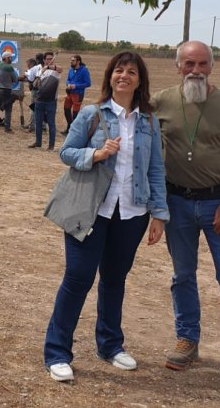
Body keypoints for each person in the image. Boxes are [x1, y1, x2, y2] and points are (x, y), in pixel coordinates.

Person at [43, 51, 169, 382]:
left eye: (131, 71)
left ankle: (110, 346)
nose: (123, 76)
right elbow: (66, 152)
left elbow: (156, 169)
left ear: (140, 80)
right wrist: (96, 154)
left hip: (132, 213)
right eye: (118, 70)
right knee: (78, 278)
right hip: (90, 209)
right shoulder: (91, 114)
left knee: (114, 280)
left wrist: (159, 214)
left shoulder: (149, 122)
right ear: (110, 76)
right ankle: (57, 352)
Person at [152, 40, 220, 397]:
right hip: (177, 204)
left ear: (212, 67)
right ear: (177, 67)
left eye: (202, 64)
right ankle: (187, 340)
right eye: (189, 64)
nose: (196, 70)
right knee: (182, 275)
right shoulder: (162, 102)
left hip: (219, 205)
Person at [28, 52, 60, 151]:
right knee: (38, 122)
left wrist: (49, 67)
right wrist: (40, 74)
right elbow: (35, 85)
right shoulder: (40, 70)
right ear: (44, 60)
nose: (49, 60)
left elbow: (60, 69)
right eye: (47, 59)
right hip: (39, 101)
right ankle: (38, 142)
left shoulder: (56, 71)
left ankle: (51, 145)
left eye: (51, 58)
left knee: (51, 123)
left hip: (51, 101)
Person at [63, 54, 91, 135]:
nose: (71, 62)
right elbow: (68, 79)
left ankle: (74, 130)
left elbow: (88, 83)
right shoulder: (70, 69)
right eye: (71, 60)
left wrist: (76, 86)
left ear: (78, 61)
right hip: (69, 93)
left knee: (75, 113)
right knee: (66, 110)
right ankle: (69, 126)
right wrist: (68, 84)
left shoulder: (84, 70)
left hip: (78, 94)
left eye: (73, 60)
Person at [0, 51, 18, 133]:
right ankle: (7, 128)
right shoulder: (9, 67)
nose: (11, 59)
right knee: (8, 110)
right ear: (6, 58)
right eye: (10, 57)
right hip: (6, 91)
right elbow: (15, 79)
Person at [21, 56, 41, 132]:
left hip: (35, 91)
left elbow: (24, 77)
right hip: (38, 91)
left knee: (34, 108)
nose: (28, 66)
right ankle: (40, 126)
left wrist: (18, 78)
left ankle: (32, 126)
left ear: (32, 64)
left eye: (28, 65)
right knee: (39, 108)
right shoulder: (38, 68)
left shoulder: (33, 69)